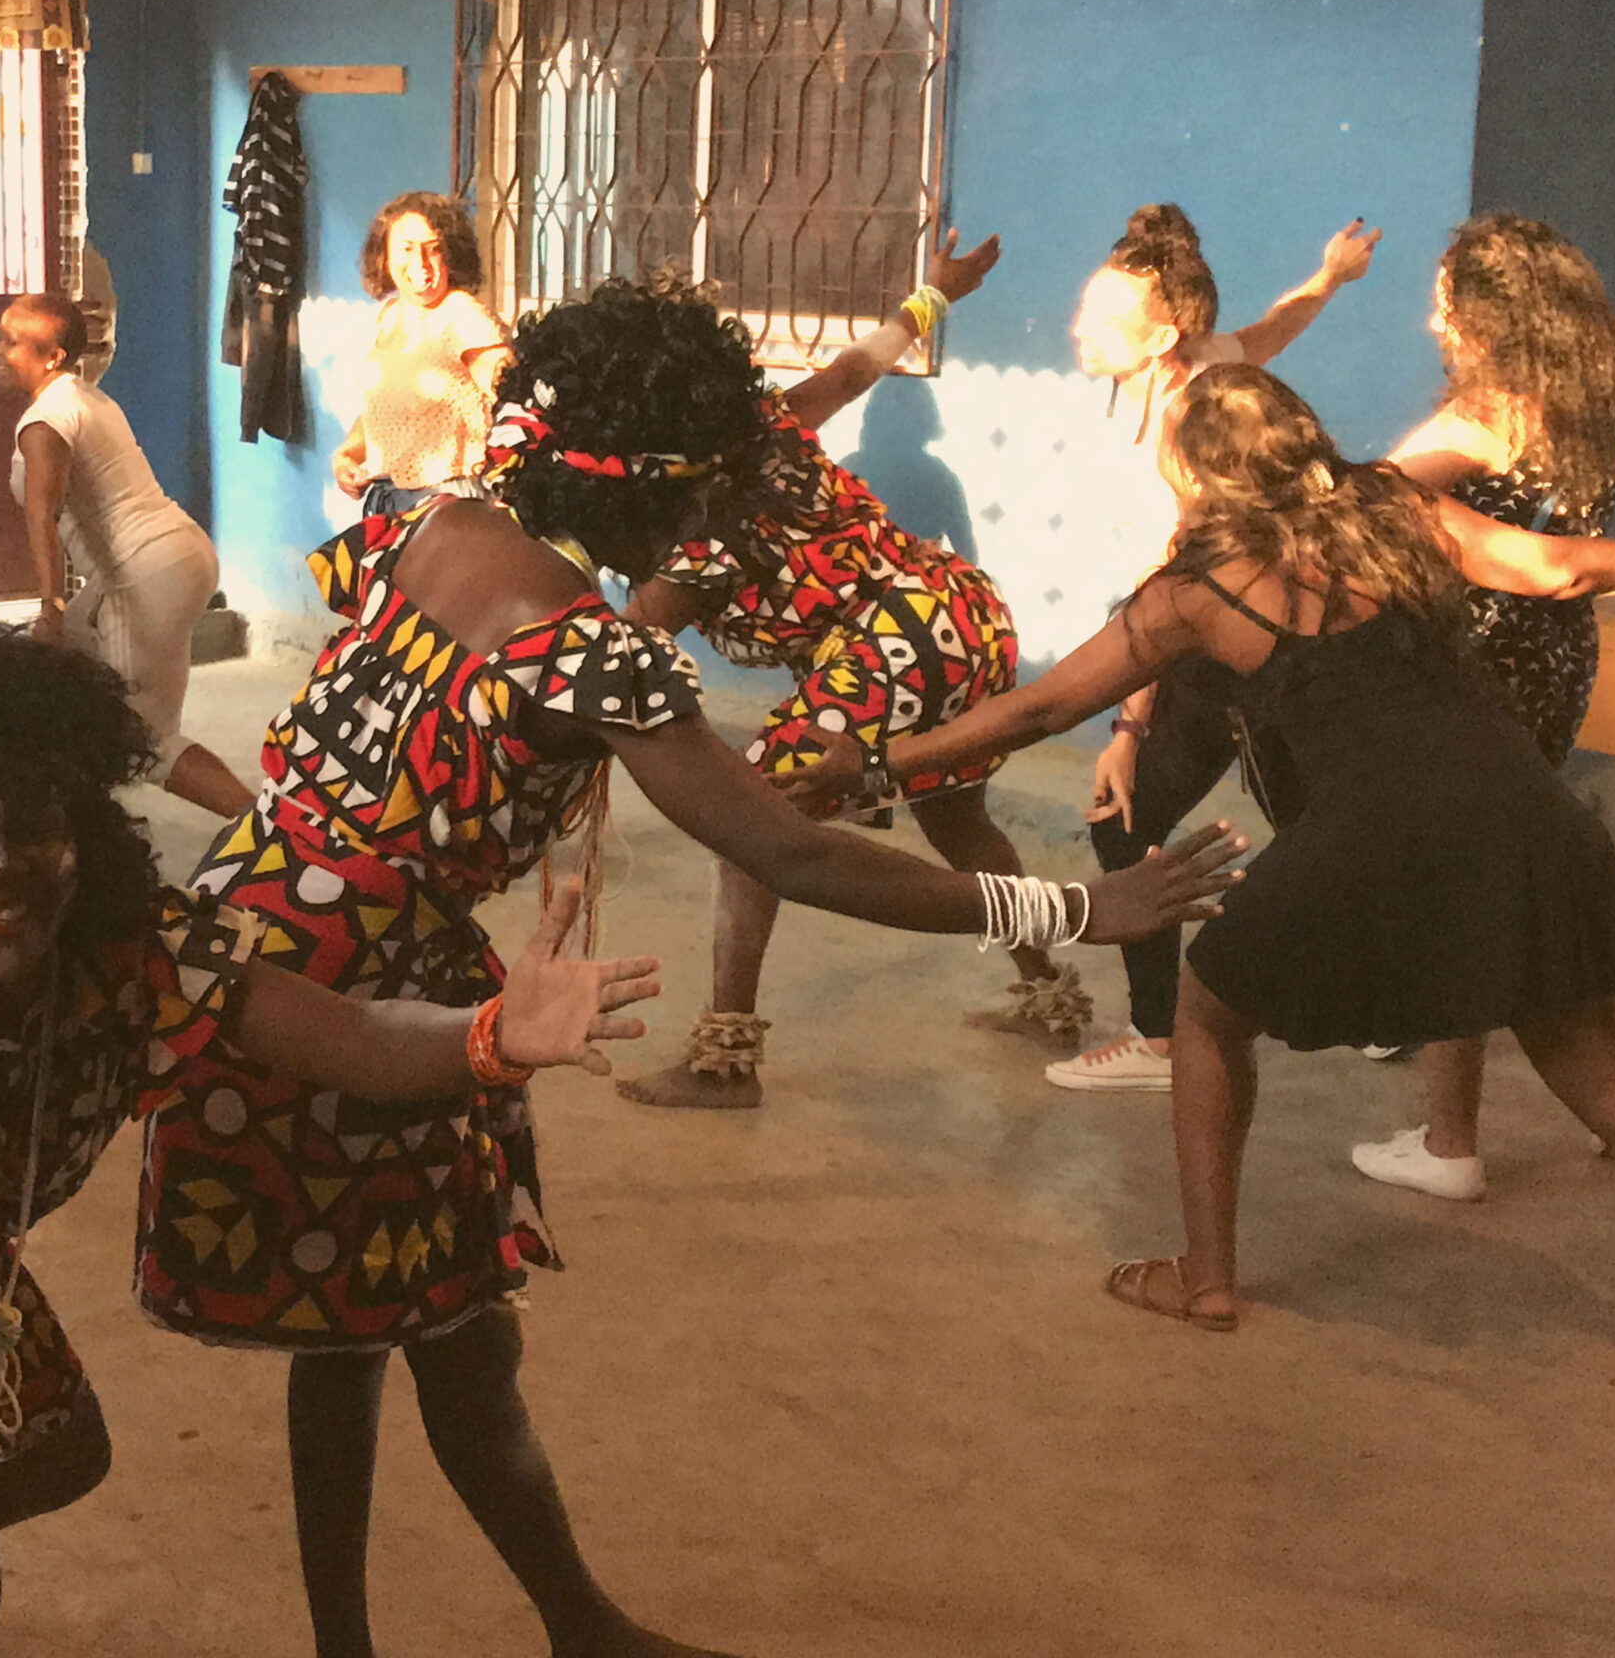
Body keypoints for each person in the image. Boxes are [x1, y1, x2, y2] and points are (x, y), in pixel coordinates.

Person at [139, 277, 1242, 1658]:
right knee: (443, 1335)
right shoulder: (591, 652)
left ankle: (451, 1634)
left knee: (369, 1324)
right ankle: (553, 1631)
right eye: (710, 495)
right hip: (362, 983)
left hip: (248, 923)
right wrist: (1080, 909)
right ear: (655, 489)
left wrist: (647, 606)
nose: (722, 527)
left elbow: (488, 658)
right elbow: (802, 855)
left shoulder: (423, 521)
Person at [0, 624, 658, 1658]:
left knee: (60, 1456)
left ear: (82, 841)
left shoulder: (136, 958)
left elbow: (353, 1036)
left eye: (32, 831)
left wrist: (487, 1036)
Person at [786, 364, 1615, 1329]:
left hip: (1386, 828)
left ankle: (1206, 1277)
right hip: (1534, 812)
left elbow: (1044, 705)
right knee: (1580, 1046)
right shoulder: (1398, 508)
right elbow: (1560, 568)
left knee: (1208, 1011)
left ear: (1193, 474)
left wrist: (882, 762)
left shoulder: (1196, 590)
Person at [618, 228, 1093, 1107]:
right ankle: (1050, 995)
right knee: (956, 816)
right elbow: (851, 372)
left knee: (753, 825)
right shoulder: (769, 425)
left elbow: (625, 639)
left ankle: (726, 1060)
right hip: (962, 612)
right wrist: (937, 293)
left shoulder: (699, 527)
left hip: (891, 645)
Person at [1053, 205, 1381, 1091]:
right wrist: (1331, 277)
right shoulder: (1201, 362)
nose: (1078, 331)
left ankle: (1162, 1041)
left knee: (1123, 824)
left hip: (1223, 644)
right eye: (1085, 309)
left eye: (1103, 323)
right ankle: (1387, 1000)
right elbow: (1273, 331)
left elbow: (1173, 588)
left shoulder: (1187, 415)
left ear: (1166, 333)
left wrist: (1127, 722)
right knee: (1330, 826)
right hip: (1254, 635)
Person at [1346, 216, 1615, 1201]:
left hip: (1477, 670)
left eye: (1440, 296)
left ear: (1478, 314)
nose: (1430, 315)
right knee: (1486, 871)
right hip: (1555, 665)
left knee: (1452, 892)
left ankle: (1448, 1141)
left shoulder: (1481, 421)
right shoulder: (1587, 395)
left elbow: (1365, 502)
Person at [0, 291, 255, 818]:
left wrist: (50, 607)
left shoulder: (47, 421)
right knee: (54, 678)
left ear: (52, 356)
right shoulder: (85, 396)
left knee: (152, 743)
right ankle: (61, 814)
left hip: (142, 573)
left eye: (13, 343)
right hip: (175, 555)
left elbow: (41, 517)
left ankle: (278, 836)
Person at [331, 192, 513, 517]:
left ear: (452, 256)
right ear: (384, 256)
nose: (420, 264)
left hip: (448, 505)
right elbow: (385, 407)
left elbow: (514, 401)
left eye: (434, 249)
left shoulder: (462, 315)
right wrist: (347, 455)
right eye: (406, 249)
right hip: (386, 502)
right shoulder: (389, 316)